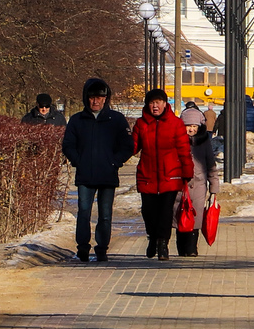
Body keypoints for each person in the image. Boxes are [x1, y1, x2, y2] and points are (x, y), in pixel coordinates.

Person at [61, 79, 132, 262]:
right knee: (83, 212)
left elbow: (127, 145)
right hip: (85, 175)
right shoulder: (77, 120)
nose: (96, 101)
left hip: (108, 174)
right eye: (92, 98)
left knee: (105, 214)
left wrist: (114, 162)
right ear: (86, 98)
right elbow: (68, 145)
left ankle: (102, 248)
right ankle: (82, 247)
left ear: (105, 98)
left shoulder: (116, 120)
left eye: (100, 98)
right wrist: (79, 161)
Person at [132, 88, 191, 260]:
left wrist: (187, 172)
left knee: (166, 212)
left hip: (170, 175)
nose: (155, 106)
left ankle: (163, 244)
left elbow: (184, 150)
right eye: (151, 103)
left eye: (158, 102)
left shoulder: (175, 124)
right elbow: (133, 147)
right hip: (147, 175)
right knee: (148, 212)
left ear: (165, 104)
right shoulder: (141, 124)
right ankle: (153, 238)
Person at [176, 106, 222, 257]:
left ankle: (192, 248)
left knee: (195, 218)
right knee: (180, 217)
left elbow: (211, 166)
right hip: (180, 186)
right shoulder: (176, 142)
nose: (191, 130)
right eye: (188, 126)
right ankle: (182, 248)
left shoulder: (204, 143)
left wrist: (214, 189)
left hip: (199, 186)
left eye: (194, 126)